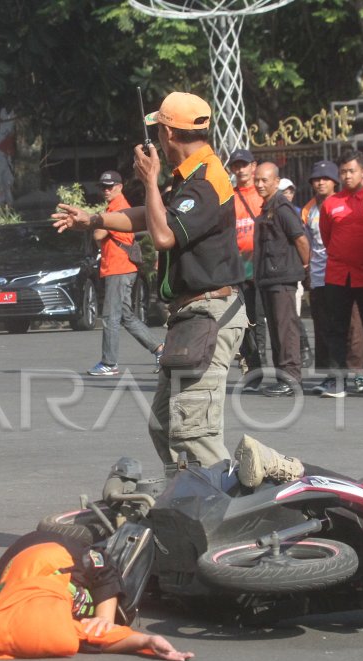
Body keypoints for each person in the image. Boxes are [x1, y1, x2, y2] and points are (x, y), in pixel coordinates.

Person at [54, 91, 247, 468]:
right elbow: (151, 216)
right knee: (165, 427)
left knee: (195, 434)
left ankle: (231, 514)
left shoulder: (207, 180)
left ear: (168, 135)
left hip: (210, 314)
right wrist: (93, 219)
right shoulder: (189, 176)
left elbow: (162, 235)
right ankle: (189, 511)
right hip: (192, 316)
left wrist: (150, 181)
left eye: (158, 129)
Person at [0, 531, 193, 661]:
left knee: (104, 589)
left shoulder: (60, 559)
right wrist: (146, 641)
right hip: (6, 587)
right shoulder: (44, 627)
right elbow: (90, 637)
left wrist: (106, 621)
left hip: (44, 547)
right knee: (111, 613)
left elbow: (102, 569)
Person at [318, 149, 363, 397]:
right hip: (337, 274)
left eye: (351, 171)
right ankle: (337, 380)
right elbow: (327, 237)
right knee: (336, 329)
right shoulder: (331, 203)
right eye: (343, 171)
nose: (346, 176)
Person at [86, 171, 163, 377]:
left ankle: (109, 363)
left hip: (118, 268)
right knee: (126, 316)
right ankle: (159, 349)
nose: (106, 190)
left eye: (110, 186)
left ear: (120, 186)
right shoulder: (114, 207)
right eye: (103, 187)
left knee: (111, 316)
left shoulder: (119, 208)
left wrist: (98, 226)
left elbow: (98, 233)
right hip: (121, 267)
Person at [252, 161, 309, 396]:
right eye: (257, 180)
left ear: (276, 182)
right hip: (269, 278)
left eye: (264, 180)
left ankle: (291, 379)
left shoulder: (282, 208)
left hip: (283, 277)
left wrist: (304, 265)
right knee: (276, 330)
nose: (259, 184)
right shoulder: (267, 207)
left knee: (286, 330)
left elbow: (301, 239)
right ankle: (282, 377)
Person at [228, 149, 266, 388]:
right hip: (238, 267)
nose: (240, 169)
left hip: (262, 266)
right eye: (236, 165)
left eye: (244, 165)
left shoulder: (262, 195)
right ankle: (253, 369)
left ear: (254, 166)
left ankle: (268, 365)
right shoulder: (229, 197)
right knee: (243, 321)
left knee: (261, 320)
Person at [301, 161, 338, 377]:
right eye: (316, 179)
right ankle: (327, 374)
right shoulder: (308, 209)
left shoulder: (342, 203)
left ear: (335, 182)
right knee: (321, 326)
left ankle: (355, 373)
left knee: (346, 327)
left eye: (325, 178)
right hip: (317, 276)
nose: (321, 182)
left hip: (340, 275)